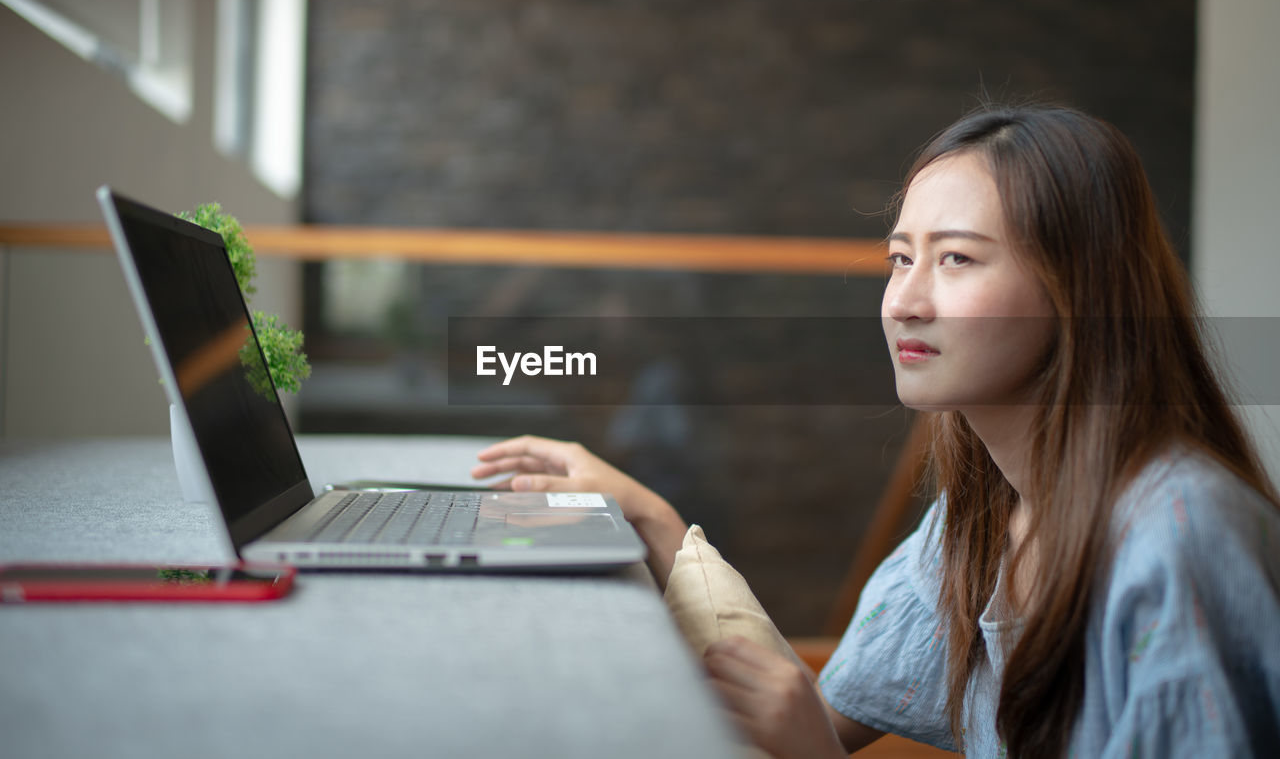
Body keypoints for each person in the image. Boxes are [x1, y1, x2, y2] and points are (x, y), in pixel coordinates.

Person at [469, 105, 1280, 758]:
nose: (904, 301)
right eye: (900, 259)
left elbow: (813, 740)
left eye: (956, 259)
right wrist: (648, 517)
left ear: (1079, 289)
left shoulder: (1180, 532)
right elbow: (814, 713)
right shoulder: (982, 519)